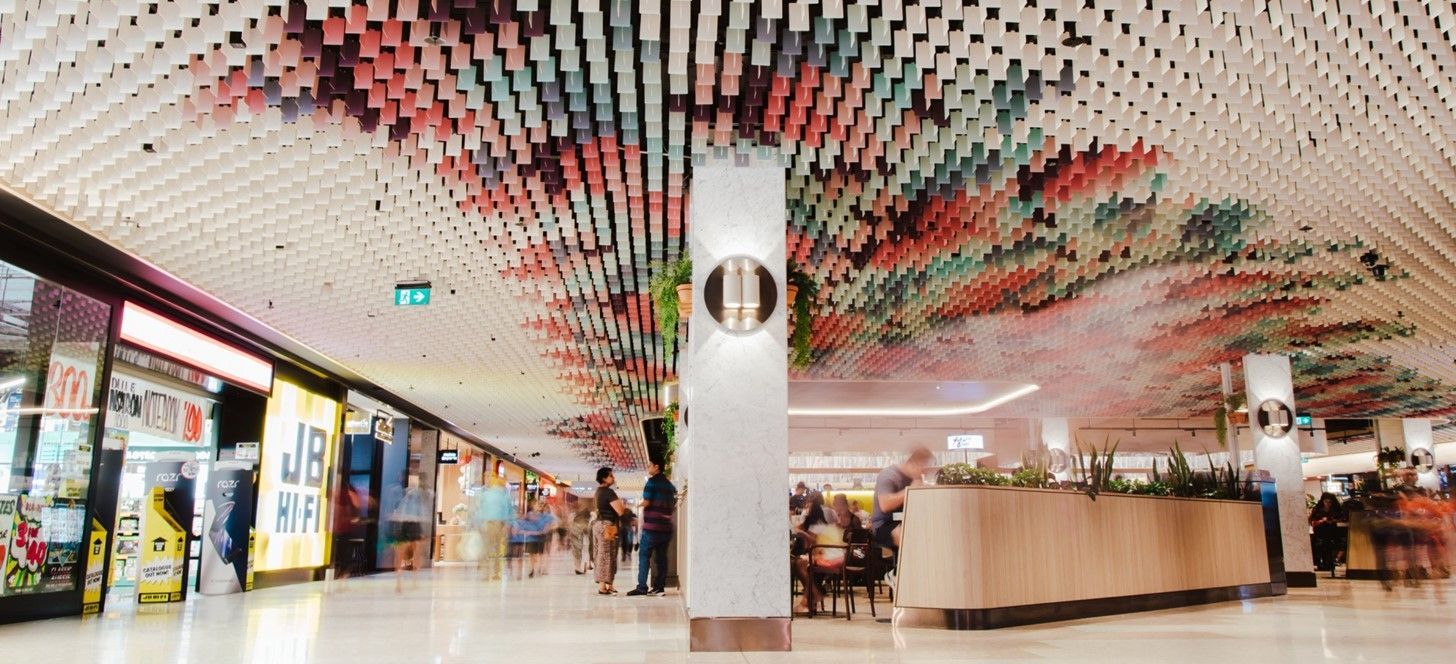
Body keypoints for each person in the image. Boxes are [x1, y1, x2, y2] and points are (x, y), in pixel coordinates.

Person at [871, 447, 934, 588]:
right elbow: (885, 504)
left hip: (906, 523)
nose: (923, 471)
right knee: (909, 537)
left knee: (929, 537)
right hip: (883, 525)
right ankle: (896, 574)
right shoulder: (889, 475)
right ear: (913, 463)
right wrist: (909, 490)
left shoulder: (915, 479)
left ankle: (917, 580)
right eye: (922, 466)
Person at [627, 460, 677, 597]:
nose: (648, 467)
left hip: (652, 528)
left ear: (657, 466)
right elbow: (674, 502)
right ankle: (659, 587)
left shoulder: (651, 482)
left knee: (644, 556)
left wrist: (638, 506)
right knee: (661, 559)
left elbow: (647, 501)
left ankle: (642, 587)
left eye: (650, 465)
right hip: (666, 528)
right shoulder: (670, 485)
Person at [387, 476, 432, 593]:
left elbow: (423, 511)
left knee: (415, 551)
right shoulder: (398, 493)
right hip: (404, 524)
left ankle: (412, 581)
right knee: (401, 552)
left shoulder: (418, 496)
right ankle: (400, 583)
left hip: (412, 524)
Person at [593, 466, 627, 595]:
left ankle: (609, 584)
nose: (613, 478)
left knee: (605, 553)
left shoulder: (598, 492)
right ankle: (603, 586)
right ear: (604, 478)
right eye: (611, 476)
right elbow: (620, 510)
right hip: (607, 526)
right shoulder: (608, 492)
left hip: (599, 524)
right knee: (606, 554)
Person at [477, 478, 516, 580]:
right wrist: (508, 525)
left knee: (486, 549)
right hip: (500, 524)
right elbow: (510, 512)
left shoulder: (485, 495)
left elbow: (480, 510)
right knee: (498, 550)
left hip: (488, 524)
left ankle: (486, 573)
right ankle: (496, 573)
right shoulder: (504, 496)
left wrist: (480, 525)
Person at [1309, 492, 1345, 572]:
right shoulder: (1317, 510)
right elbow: (1312, 521)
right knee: (1320, 545)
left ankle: (1329, 563)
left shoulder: (1336, 510)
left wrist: (1332, 521)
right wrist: (1321, 521)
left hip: (1332, 532)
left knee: (1330, 546)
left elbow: (1341, 519)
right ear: (1323, 501)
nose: (1328, 504)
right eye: (1326, 502)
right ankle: (1322, 564)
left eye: (1329, 502)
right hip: (1320, 532)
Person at [569, 502, 593, 575]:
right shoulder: (586, 518)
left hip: (578, 539)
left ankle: (578, 567)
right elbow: (588, 529)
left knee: (578, 552)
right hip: (583, 539)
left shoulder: (575, 518)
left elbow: (570, 527)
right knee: (584, 551)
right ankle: (582, 567)